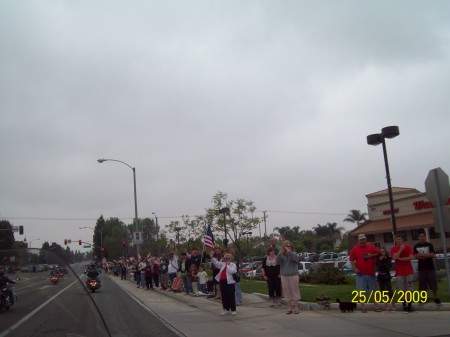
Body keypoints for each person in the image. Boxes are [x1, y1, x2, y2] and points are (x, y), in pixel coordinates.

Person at [349, 234, 380, 313]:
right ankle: (363, 307)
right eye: (361, 240)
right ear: (358, 241)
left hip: (371, 273)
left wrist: (371, 255)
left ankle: (376, 306)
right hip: (361, 274)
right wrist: (355, 268)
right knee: (361, 291)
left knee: (374, 291)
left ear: (366, 240)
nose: (362, 241)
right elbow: (351, 259)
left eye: (363, 239)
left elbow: (378, 253)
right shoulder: (355, 249)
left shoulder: (371, 247)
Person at [414, 231, 440, 304]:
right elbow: (416, 256)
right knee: (423, 285)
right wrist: (426, 255)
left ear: (425, 237)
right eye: (420, 236)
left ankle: (436, 298)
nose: (422, 237)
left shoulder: (429, 245)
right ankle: (424, 298)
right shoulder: (416, 246)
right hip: (421, 268)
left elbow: (432, 254)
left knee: (433, 284)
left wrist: (422, 255)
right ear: (418, 237)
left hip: (430, 267)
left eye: (423, 236)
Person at [391, 234, 415, 313]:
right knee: (401, 290)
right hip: (399, 272)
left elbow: (412, 257)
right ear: (395, 240)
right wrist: (400, 250)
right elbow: (394, 258)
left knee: (409, 289)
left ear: (402, 240)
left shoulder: (408, 247)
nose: (398, 241)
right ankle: (404, 304)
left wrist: (400, 258)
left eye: (400, 239)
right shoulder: (394, 248)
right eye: (397, 239)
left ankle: (410, 305)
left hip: (408, 271)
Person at [210, 250, 237, 316]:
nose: (227, 259)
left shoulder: (233, 264)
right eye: (226, 258)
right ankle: (226, 309)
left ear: (231, 259)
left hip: (230, 282)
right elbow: (215, 262)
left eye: (229, 258)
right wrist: (211, 257)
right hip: (222, 282)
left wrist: (228, 265)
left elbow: (232, 271)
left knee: (231, 296)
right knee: (224, 296)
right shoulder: (222, 264)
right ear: (224, 259)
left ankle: (233, 310)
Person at [277, 240, 300, 314]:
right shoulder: (281, 255)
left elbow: (296, 259)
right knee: (286, 292)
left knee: (294, 291)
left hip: (293, 275)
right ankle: (289, 308)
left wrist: (288, 250)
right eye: (287, 246)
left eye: (290, 246)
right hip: (284, 276)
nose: (289, 247)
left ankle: (296, 308)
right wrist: (282, 250)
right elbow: (278, 261)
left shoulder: (294, 254)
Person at [376, 247, 396, 311]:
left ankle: (393, 305)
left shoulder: (388, 259)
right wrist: (380, 260)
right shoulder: (377, 260)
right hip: (380, 276)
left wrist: (384, 260)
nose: (382, 253)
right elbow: (378, 268)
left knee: (390, 290)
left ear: (385, 252)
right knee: (383, 291)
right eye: (381, 252)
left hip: (387, 276)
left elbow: (388, 267)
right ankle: (386, 305)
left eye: (383, 252)